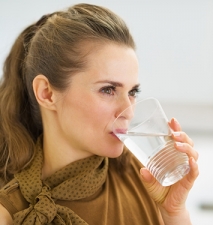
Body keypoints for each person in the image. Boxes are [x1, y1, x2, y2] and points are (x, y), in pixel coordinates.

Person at [0, 3, 199, 225]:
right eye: (108, 90)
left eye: (133, 91)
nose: (129, 111)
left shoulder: (146, 178)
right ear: (46, 93)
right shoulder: (11, 209)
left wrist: (174, 213)